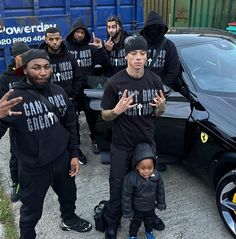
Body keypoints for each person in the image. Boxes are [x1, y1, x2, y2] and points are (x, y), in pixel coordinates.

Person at [0, 49, 92, 239]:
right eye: (36, 68)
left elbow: (71, 125)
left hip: (62, 160)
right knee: (31, 211)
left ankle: (69, 219)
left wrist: (74, 154)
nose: (43, 72)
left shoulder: (59, 92)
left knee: (69, 196)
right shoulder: (14, 98)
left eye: (46, 67)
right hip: (34, 168)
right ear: (25, 70)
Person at [101, 34, 166, 239]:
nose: (138, 58)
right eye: (133, 54)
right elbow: (105, 115)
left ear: (147, 56)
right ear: (125, 56)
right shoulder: (115, 82)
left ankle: (149, 215)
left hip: (146, 143)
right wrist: (116, 110)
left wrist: (162, 108)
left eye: (142, 53)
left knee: (150, 182)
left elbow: (158, 113)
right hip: (122, 144)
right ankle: (113, 220)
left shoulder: (155, 80)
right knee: (118, 184)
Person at [140, 11, 181, 173]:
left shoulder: (168, 45)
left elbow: (173, 70)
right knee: (139, 128)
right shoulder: (141, 44)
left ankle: (154, 159)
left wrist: (162, 90)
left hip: (159, 95)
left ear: (162, 28)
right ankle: (139, 160)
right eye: (151, 28)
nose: (154, 30)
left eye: (157, 28)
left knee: (155, 130)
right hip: (140, 93)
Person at [40, 26, 87, 164]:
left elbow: (79, 78)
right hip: (48, 104)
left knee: (73, 128)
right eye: (51, 39)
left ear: (61, 39)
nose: (54, 42)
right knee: (50, 130)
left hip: (69, 102)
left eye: (57, 39)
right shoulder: (41, 58)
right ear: (46, 40)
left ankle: (75, 152)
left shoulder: (70, 56)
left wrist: (73, 95)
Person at [66, 17, 111, 155]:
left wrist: (100, 48)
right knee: (72, 120)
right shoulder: (66, 48)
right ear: (72, 32)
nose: (80, 35)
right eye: (77, 32)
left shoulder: (91, 48)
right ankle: (75, 144)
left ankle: (95, 139)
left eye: (82, 32)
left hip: (88, 90)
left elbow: (106, 64)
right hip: (73, 90)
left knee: (92, 118)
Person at [0, 41, 30, 202]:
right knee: (16, 156)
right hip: (16, 123)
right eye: (22, 56)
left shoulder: (30, 71)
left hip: (34, 119)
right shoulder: (5, 78)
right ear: (14, 57)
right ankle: (16, 183)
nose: (25, 58)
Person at [122, 143, 166, 239]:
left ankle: (149, 232)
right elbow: (126, 196)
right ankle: (132, 235)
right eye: (143, 168)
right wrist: (127, 211)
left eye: (150, 168)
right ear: (137, 166)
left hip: (150, 207)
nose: (147, 171)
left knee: (149, 222)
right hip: (137, 209)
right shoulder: (131, 178)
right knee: (135, 224)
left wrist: (161, 203)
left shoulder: (156, 176)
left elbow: (160, 190)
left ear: (154, 166)